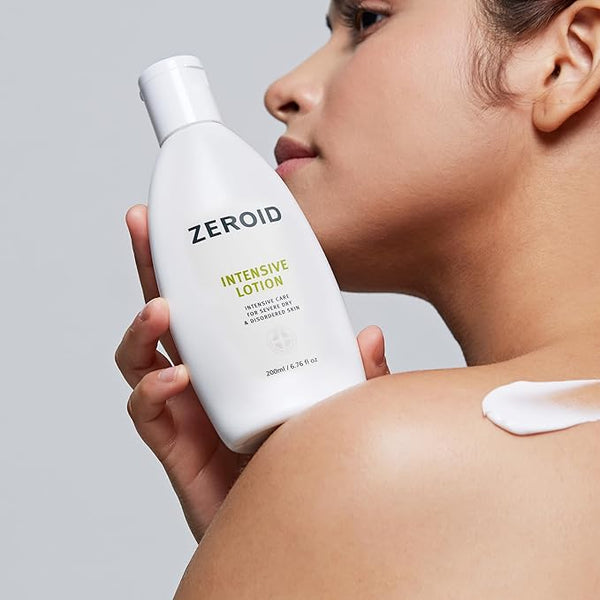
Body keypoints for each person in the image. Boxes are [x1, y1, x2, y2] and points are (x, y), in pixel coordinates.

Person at [115, 0, 600, 596]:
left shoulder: (384, 458)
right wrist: (272, 526)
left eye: (368, 20)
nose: (280, 92)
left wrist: (307, 502)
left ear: (568, 61)